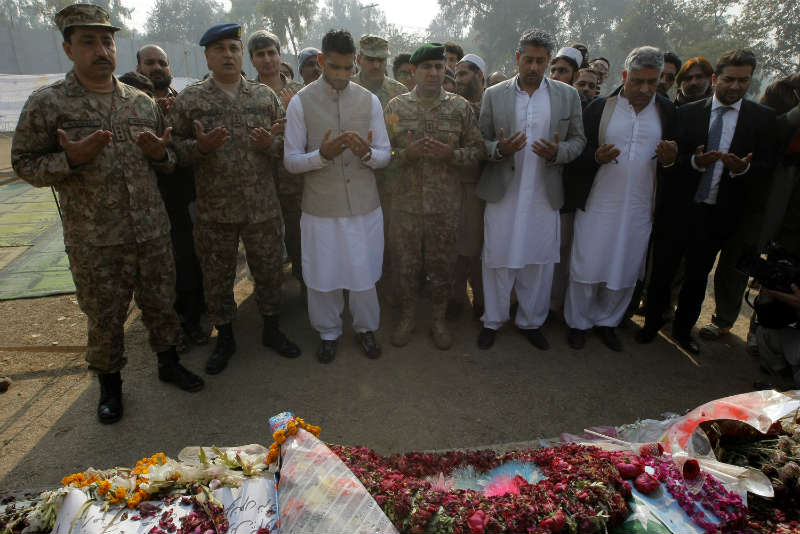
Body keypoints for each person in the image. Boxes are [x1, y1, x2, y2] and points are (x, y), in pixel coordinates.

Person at [12, 4, 205, 424]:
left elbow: (167, 157)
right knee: (104, 314)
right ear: (68, 48)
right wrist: (70, 160)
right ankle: (110, 387)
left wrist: (160, 155)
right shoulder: (49, 104)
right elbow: (24, 163)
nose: (101, 49)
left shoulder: (139, 102)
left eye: (107, 40)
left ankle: (169, 363)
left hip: (151, 229)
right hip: (95, 236)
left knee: (160, 302)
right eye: (88, 41)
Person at [169, 23, 300, 375]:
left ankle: (272, 329)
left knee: (269, 270)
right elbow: (172, 151)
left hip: (262, 206)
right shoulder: (191, 99)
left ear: (242, 55)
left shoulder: (263, 96)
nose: (228, 54)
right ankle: (225, 337)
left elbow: (287, 146)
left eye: (233, 48)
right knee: (217, 275)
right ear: (207, 56)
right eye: (219, 49)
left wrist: (268, 145)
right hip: (216, 209)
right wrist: (200, 148)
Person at [638, 49, 778, 354]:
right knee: (663, 271)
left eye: (744, 80)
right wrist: (694, 162)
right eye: (730, 79)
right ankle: (651, 324)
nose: (736, 86)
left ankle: (683, 331)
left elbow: (768, 168)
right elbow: (668, 162)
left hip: (718, 214)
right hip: (678, 210)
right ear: (716, 79)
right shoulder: (685, 114)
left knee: (698, 277)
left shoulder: (762, 119)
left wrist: (744, 168)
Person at [283, 29, 391, 363]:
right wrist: (322, 155)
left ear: (356, 63)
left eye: (348, 68)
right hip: (320, 207)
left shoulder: (369, 100)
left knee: (362, 274)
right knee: (322, 275)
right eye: (334, 68)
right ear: (320, 61)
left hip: (363, 205)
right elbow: (290, 161)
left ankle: (365, 328)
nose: (342, 75)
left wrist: (368, 154)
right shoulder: (301, 102)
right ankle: (328, 332)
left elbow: (386, 153)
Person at [474, 29, 586, 351]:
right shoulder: (494, 94)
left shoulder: (567, 95)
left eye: (540, 60)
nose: (533, 67)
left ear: (549, 60)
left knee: (538, 261)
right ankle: (493, 320)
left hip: (543, 192)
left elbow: (579, 140)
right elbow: (479, 140)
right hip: (504, 191)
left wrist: (557, 153)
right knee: (497, 257)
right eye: (528, 59)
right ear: (517, 58)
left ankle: (531, 321)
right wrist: (499, 149)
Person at [564, 46, 678, 351]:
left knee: (625, 265)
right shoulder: (601, 108)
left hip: (640, 205)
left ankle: (607, 322)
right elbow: (577, 153)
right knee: (588, 262)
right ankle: (578, 323)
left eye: (652, 82)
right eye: (637, 81)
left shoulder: (666, 112)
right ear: (624, 76)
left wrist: (671, 159)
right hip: (599, 201)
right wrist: (595, 157)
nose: (644, 89)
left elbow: (673, 161)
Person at [383, 44, 485, 350]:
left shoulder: (460, 108)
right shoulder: (395, 109)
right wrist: (405, 154)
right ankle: (407, 319)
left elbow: (479, 151)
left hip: (444, 207)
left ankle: (438, 321)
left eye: (439, 67)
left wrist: (452, 154)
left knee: (442, 269)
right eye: (427, 67)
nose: (434, 72)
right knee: (406, 267)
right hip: (406, 206)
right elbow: (381, 155)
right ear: (413, 72)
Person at [137, 44, 209, 351]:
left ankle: (193, 319)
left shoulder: (185, 103)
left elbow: (194, 146)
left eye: (162, 63)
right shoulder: (132, 107)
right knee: (157, 272)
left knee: (190, 260)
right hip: (146, 205)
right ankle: (170, 329)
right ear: (139, 68)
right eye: (150, 63)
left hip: (185, 199)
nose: (157, 68)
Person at [247, 30, 306, 288]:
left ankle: (306, 285)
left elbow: (315, 135)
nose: (267, 59)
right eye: (260, 54)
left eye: (272, 53)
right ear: (252, 59)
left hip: (295, 181)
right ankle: (271, 296)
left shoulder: (301, 92)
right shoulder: (246, 93)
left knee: (299, 238)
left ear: (280, 55)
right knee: (266, 244)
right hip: (261, 182)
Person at [450, 53, 488, 319]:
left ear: (480, 75)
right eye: (456, 74)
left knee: (476, 249)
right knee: (457, 247)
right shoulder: (453, 105)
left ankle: (483, 301)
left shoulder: (492, 104)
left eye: (463, 74)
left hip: (483, 186)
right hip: (455, 185)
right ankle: (456, 299)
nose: (458, 80)